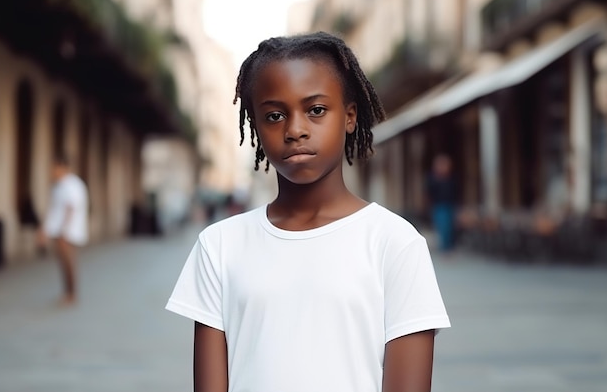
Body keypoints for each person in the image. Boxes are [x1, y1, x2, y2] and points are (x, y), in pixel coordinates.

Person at [166, 32, 450, 392]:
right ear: (255, 126)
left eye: (316, 110)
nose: (295, 130)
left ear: (349, 117)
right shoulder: (218, 246)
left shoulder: (395, 243)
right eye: (273, 115)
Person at [38, 155, 88, 305]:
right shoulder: (59, 185)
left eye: (55, 167)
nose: (52, 171)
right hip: (59, 231)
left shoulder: (72, 185)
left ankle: (71, 294)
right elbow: (54, 210)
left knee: (68, 263)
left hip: (67, 232)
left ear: (62, 167)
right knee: (63, 263)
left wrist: (64, 231)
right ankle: (67, 292)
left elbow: (70, 208)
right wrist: (46, 230)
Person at [427, 154, 456, 252]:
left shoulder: (450, 179)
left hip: (449, 205)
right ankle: (444, 248)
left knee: (448, 227)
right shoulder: (433, 179)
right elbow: (430, 192)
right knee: (441, 227)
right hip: (438, 206)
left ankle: (447, 248)